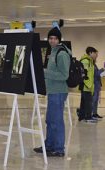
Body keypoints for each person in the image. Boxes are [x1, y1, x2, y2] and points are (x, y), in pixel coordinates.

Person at [34, 27, 71, 157]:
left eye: (55, 38)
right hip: (53, 91)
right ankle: (49, 145)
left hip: (59, 91)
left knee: (56, 121)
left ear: (59, 39)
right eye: (50, 38)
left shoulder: (62, 54)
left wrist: (45, 72)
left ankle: (59, 148)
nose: (52, 40)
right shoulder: (53, 52)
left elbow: (64, 75)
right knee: (50, 120)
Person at [78, 47, 97, 123]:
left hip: (87, 85)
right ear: (90, 53)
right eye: (95, 53)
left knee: (84, 102)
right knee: (88, 102)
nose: (96, 55)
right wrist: (88, 84)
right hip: (86, 85)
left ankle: (82, 116)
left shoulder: (89, 61)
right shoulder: (86, 61)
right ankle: (88, 117)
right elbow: (84, 73)